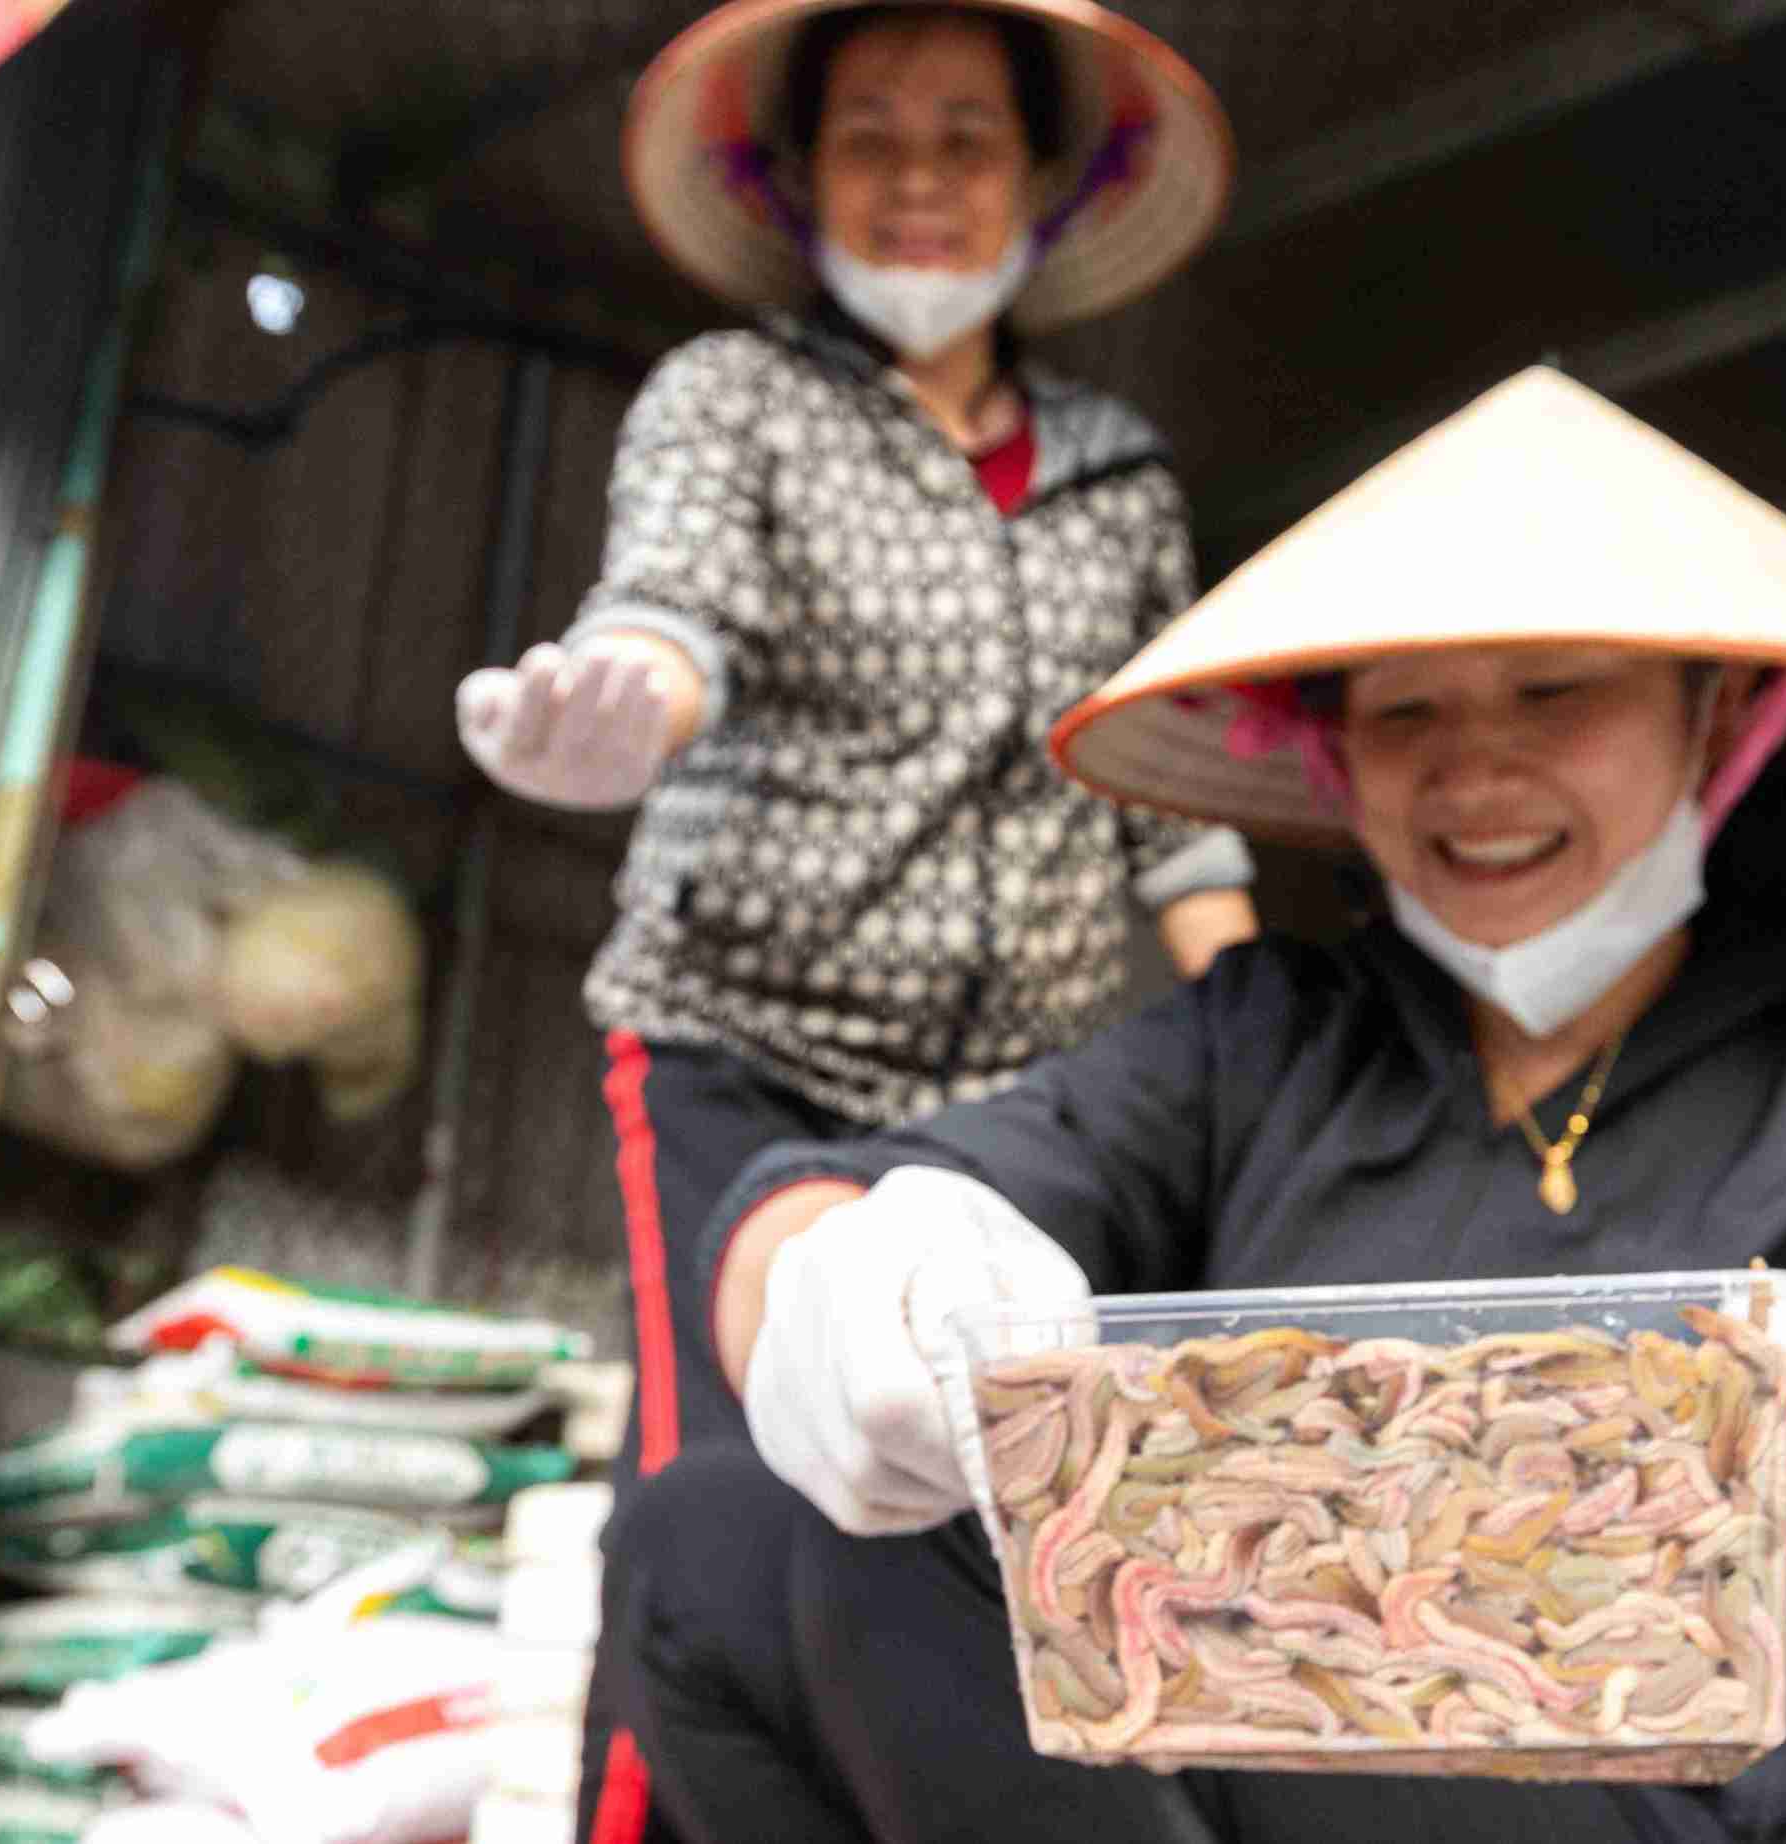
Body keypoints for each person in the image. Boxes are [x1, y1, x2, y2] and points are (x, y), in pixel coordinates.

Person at [603, 369, 1786, 1842]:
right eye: (1402, 715)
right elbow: (842, 1197)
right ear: (1329, 756)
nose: (1476, 767)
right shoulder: (1273, 1039)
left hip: (1711, 1814)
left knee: (1462, 1668)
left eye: (1557, 694)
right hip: (1268, 1790)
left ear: (1724, 717)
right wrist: (847, 1271)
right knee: (720, 1535)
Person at [446, 3, 1254, 1837]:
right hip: (751, 1054)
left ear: (1043, 183)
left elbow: (1168, 803)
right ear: (794, 176)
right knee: (714, 1505)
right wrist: (619, 708)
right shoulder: (732, 401)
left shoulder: (1119, 472)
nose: (917, 177)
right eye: (868, 133)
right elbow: (673, 617)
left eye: (966, 135)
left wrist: (1264, 1048)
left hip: (1013, 1115)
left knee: (991, 1522)